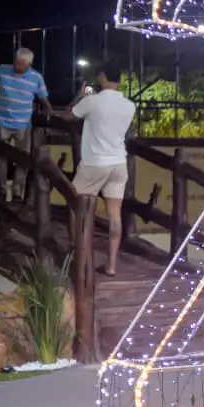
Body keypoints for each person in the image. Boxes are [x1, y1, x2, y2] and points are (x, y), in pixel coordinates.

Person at [67, 63, 136, 276]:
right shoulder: (129, 105)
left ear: (102, 76)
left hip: (95, 162)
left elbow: (67, 115)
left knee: (74, 204)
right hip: (118, 163)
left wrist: (79, 96)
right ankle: (112, 265)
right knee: (115, 214)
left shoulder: (92, 101)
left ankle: (77, 253)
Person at [0, 47, 53, 204]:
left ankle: (17, 193)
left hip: (22, 124)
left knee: (23, 158)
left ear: (29, 64)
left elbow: (43, 98)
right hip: (1, 121)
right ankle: (1, 190)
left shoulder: (36, 78)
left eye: (22, 64)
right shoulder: (2, 70)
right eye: (16, 63)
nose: (18, 67)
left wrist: (50, 113)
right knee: (0, 157)